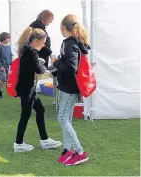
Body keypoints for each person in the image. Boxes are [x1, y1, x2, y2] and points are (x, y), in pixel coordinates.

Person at [13, 27, 62, 152]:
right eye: (43, 41)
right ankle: (18, 143)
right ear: (35, 41)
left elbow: (46, 52)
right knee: (26, 114)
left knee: (40, 109)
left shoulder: (27, 49)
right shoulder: (31, 51)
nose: (44, 44)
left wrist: (42, 47)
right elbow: (39, 70)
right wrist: (51, 68)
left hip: (27, 87)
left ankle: (44, 140)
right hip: (27, 88)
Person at [53, 14, 90, 166]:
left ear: (63, 27)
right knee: (66, 118)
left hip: (69, 87)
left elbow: (71, 67)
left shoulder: (70, 43)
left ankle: (79, 151)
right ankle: (68, 150)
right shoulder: (76, 42)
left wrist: (56, 64)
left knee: (62, 118)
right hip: (71, 86)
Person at [0, 32, 12, 98]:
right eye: (8, 38)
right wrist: (0, 66)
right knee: (3, 78)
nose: (9, 39)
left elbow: (10, 55)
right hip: (1, 66)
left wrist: (11, 64)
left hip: (7, 66)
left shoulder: (9, 47)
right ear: (4, 39)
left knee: (4, 79)